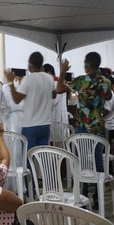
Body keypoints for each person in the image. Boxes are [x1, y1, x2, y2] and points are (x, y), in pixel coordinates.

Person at [57, 52, 112, 208]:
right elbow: (107, 98)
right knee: (97, 160)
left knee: (83, 161)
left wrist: (62, 72)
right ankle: (98, 199)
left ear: (87, 65)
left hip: (83, 126)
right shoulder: (106, 81)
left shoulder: (82, 81)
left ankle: (84, 192)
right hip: (98, 127)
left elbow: (59, 88)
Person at [5, 52, 54, 152]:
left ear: (30, 64)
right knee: (43, 157)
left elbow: (16, 99)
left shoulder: (28, 79)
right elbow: (53, 95)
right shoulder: (50, 78)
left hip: (30, 125)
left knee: (29, 159)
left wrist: (10, 82)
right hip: (45, 125)